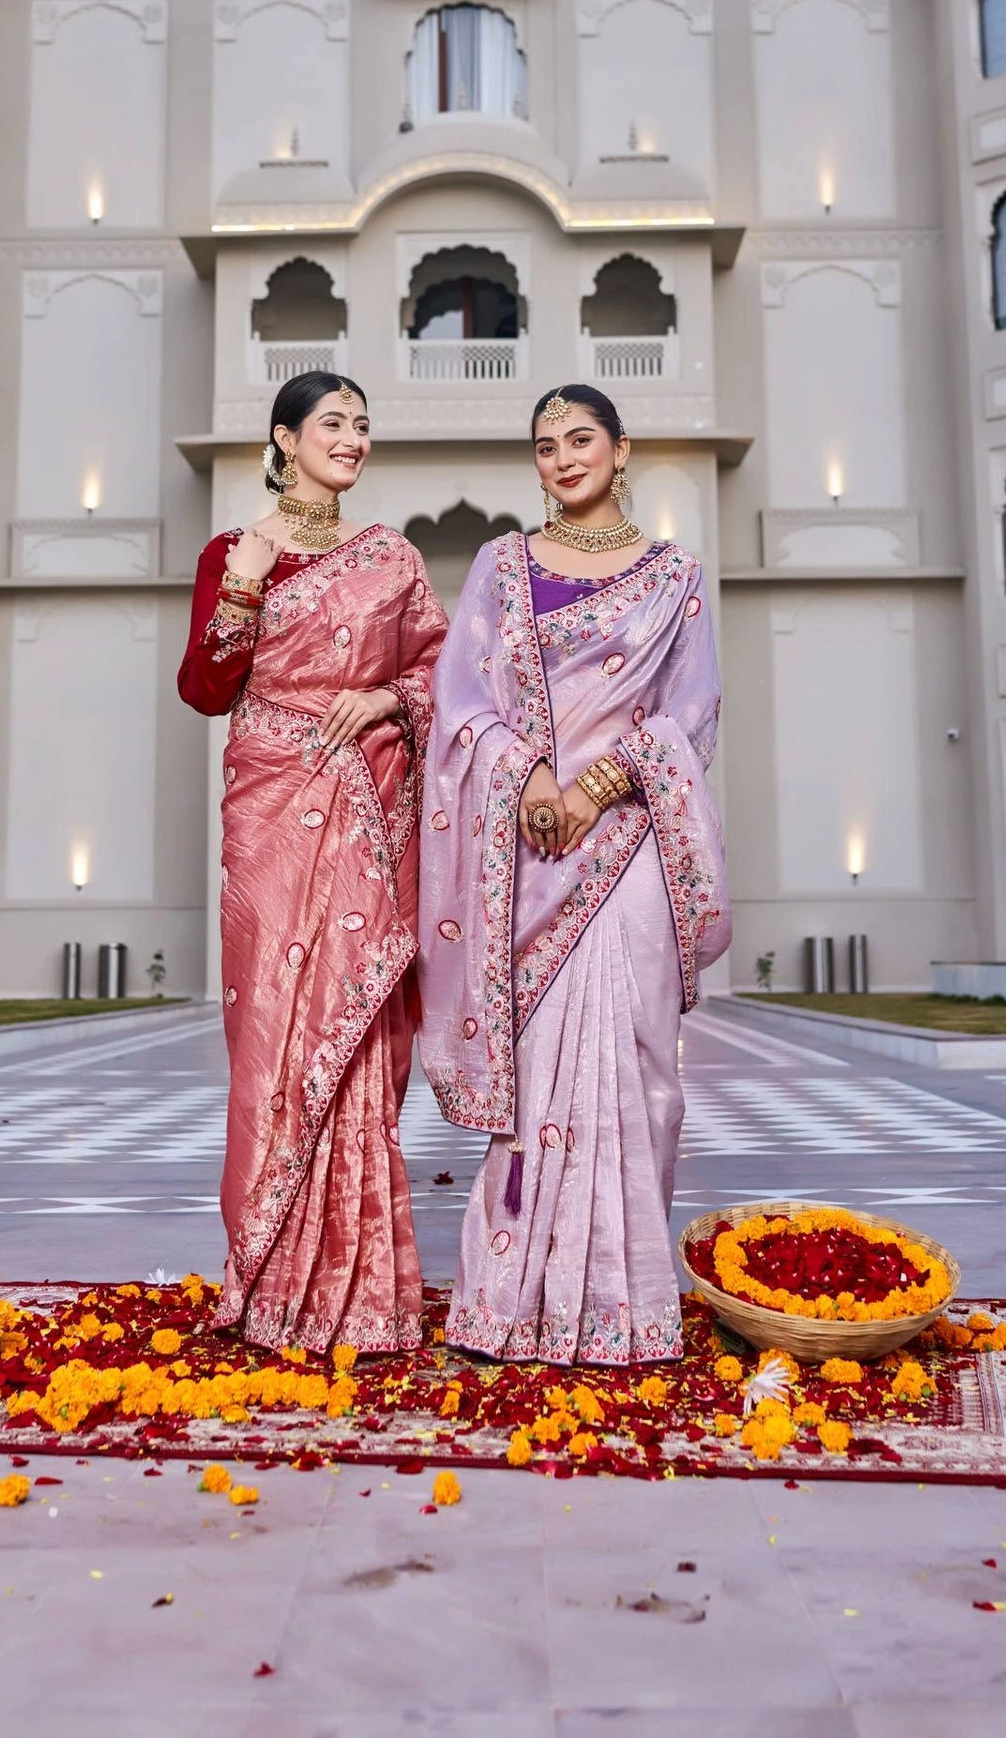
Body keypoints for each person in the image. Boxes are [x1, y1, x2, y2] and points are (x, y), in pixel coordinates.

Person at [418, 384, 729, 1365]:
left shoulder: (673, 578)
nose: (561, 457)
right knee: (534, 1074)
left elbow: (690, 719)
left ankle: (622, 1306)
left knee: (635, 1069)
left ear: (620, 448)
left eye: (579, 438)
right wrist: (534, 775)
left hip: (627, 845)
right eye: (544, 444)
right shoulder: (499, 567)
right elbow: (460, 702)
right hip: (526, 852)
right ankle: (509, 1304)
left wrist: (596, 784)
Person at [178, 371, 447, 1352]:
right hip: (268, 821)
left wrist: (383, 703)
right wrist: (246, 580)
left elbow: (441, 672)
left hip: (365, 810)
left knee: (356, 1041)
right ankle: (269, 1275)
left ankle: (360, 1291)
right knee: (268, 1049)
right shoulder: (235, 552)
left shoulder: (391, 560)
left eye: (363, 424)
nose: (352, 438)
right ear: (285, 439)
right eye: (332, 422)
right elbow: (207, 688)